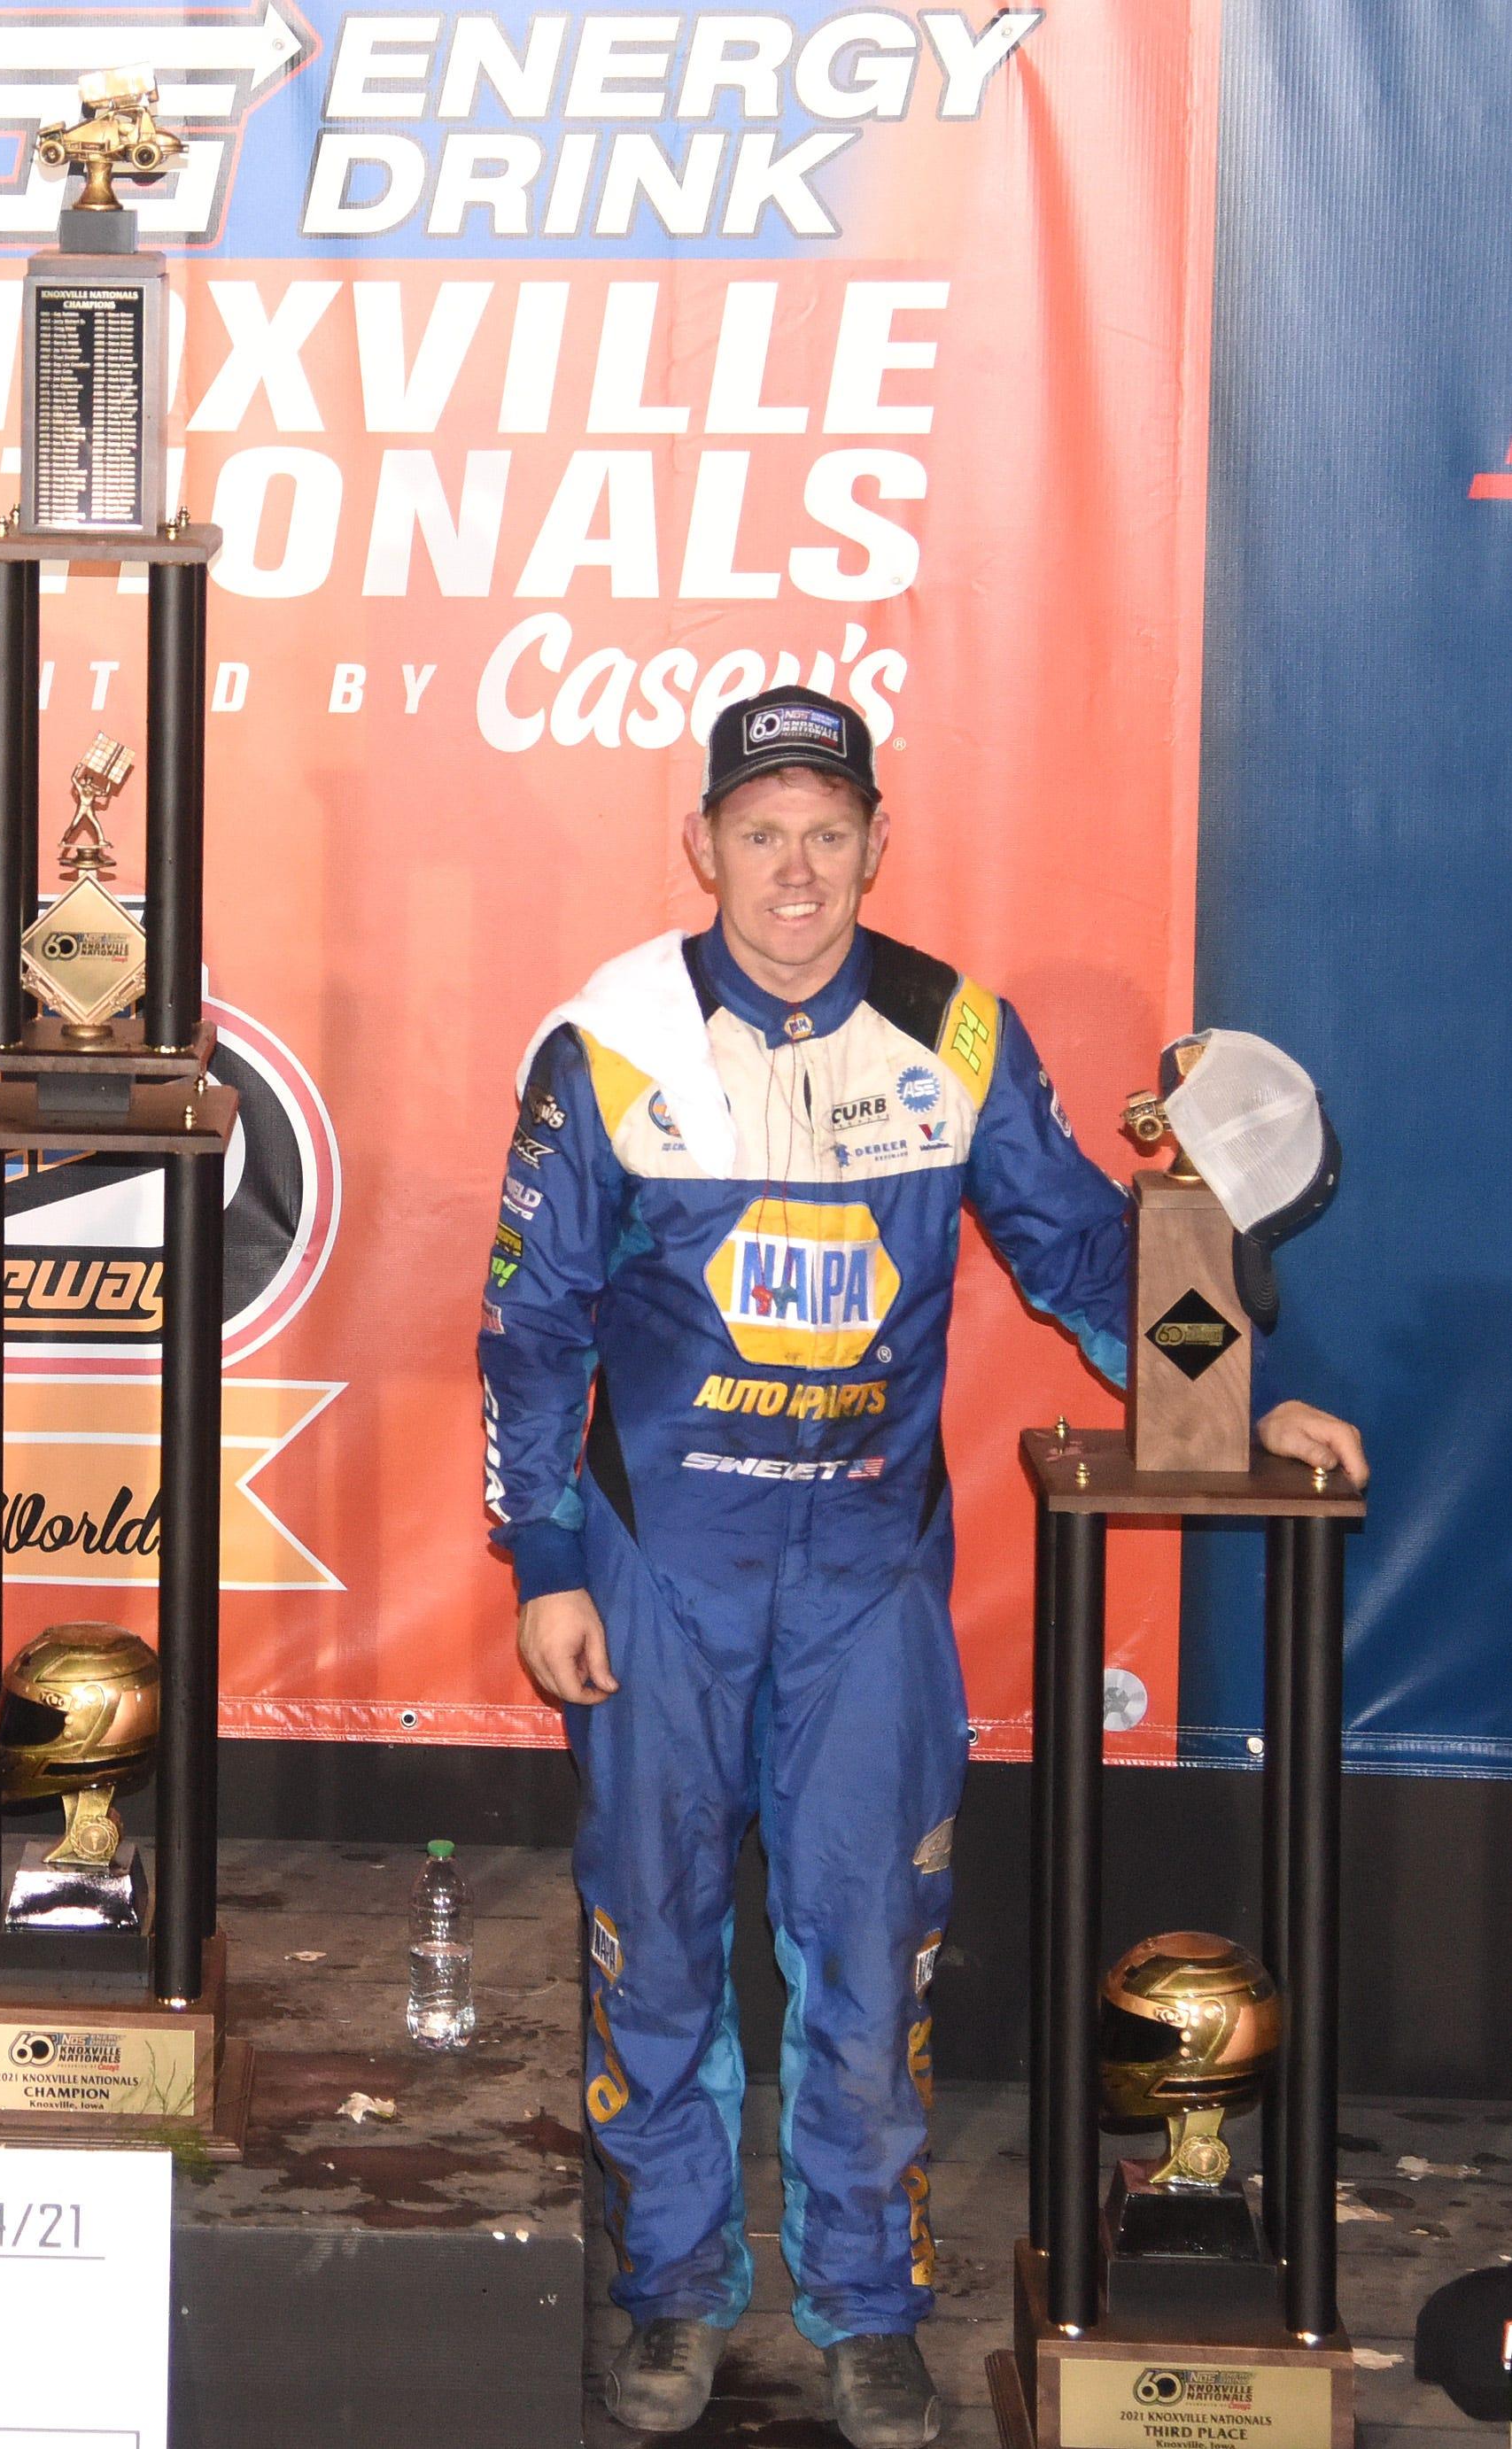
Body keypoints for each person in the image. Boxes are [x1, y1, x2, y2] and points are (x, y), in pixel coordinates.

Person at [477, 686, 1365, 2449]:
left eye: (826, 831)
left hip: (868, 1580)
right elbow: (528, 1331)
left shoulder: (955, 1034)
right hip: (664, 1572)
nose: (792, 868)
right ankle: (664, 2295)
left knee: (872, 1960)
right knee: (651, 1953)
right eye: (759, 831)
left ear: (876, 843)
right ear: (701, 846)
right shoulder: (608, 1038)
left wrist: (1226, 1409)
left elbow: (1080, 1248)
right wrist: (546, 1564)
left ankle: (865, 2310)